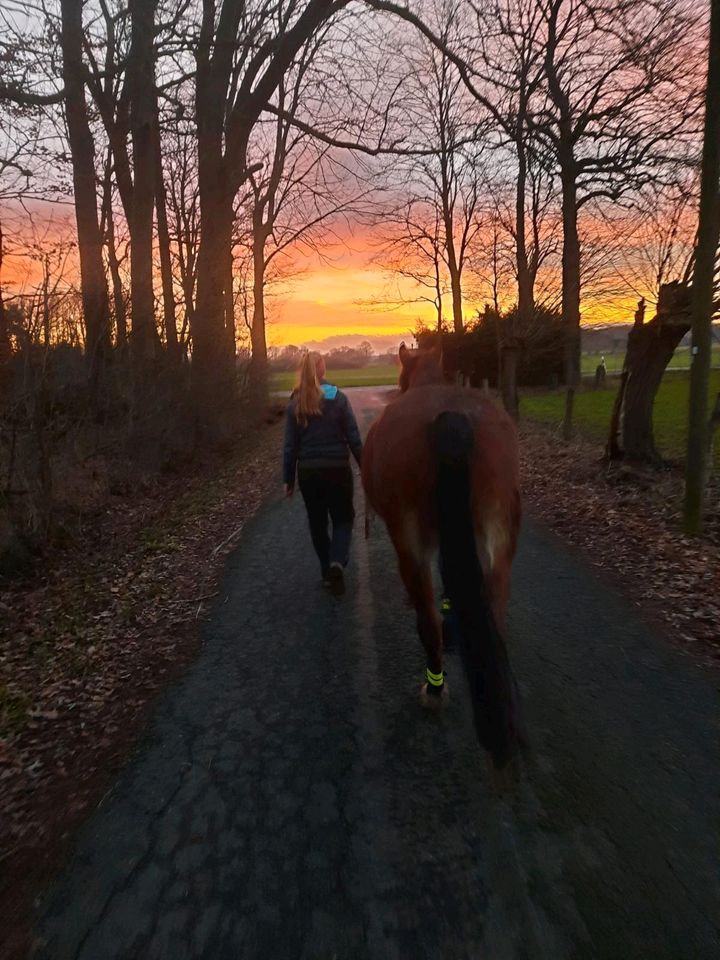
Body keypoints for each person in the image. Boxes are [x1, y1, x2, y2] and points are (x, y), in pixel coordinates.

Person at [283, 352, 363, 596]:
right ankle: (337, 562)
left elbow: (290, 445)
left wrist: (288, 478)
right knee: (343, 518)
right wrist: (366, 466)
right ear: (321, 368)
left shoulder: (295, 401)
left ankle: (326, 570)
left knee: (317, 523)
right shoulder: (337, 397)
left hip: (309, 472)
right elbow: (353, 436)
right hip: (337, 468)